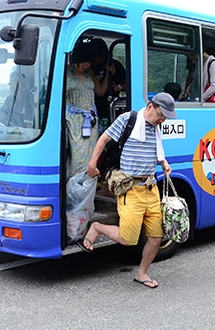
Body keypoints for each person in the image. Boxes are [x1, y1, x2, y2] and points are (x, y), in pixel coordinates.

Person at [79, 93, 177, 288]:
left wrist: (164, 163)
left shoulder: (156, 128)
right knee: (128, 238)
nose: (162, 120)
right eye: (160, 115)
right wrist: (92, 164)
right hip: (130, 190)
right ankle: (97, 228)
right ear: (150, 106)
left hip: (151, 188)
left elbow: (155, 150)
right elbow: (103, 140)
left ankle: (142, 273)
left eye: (165, 117)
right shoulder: (128, 120)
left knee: (156, 238)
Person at [65, 41, 114, 180]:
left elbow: (100, 91)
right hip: (73, 121)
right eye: (83, 63)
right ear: (76, 60)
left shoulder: (89, 72)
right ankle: (74, 186)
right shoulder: (65, 71)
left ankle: (87, 186)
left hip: (90, 120)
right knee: (76, 155)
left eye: (89, 63)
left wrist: (109, 76)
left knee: (92, 154)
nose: (86, 66)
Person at [89, 38, 126, 121]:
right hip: (91, 109)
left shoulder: (115, 65)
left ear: (102, 54)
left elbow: (128, 84)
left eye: (94, 56)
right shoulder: (88, 67)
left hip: (109, 109)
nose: (91, 60)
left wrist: (119, 87)